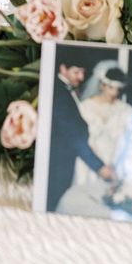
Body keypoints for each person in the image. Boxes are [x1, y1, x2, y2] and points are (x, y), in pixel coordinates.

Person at [47, 59, 116, 212]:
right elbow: (73, 133)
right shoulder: (59, 93)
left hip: (73, 157)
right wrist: (99, 167)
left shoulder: (66, 91)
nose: (81, 77)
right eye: (76, 72)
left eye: (83, 72)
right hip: (60, 161)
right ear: (63, 68)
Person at [74, 66, 132, 192]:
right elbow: (79, 138)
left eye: (118, 89)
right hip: (89, 160)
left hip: (114, 161)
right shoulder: (85, 107)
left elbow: (128, 141)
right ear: (102, 85)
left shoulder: (126, 110)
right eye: (111, 87)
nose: (114, 93)